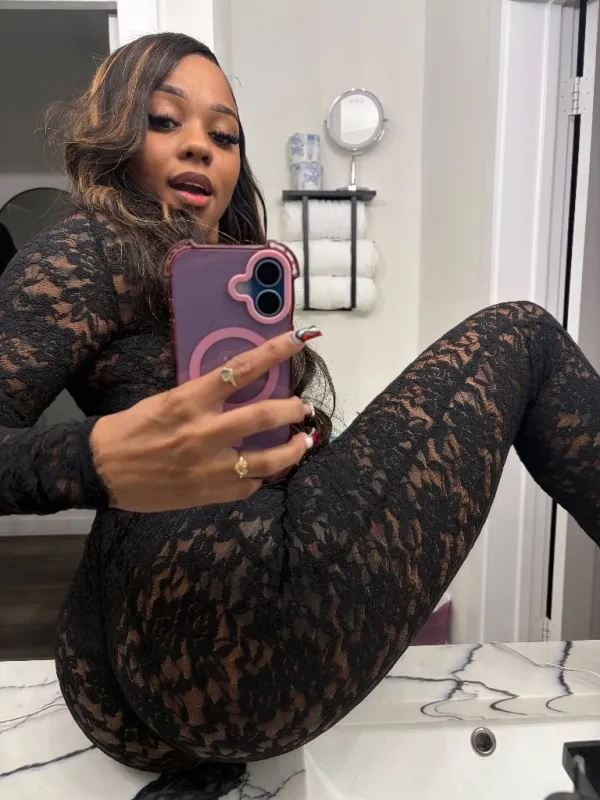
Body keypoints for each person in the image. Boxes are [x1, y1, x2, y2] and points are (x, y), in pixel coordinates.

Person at [1, 31, 599, 797]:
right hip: (244, 650)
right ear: (116, 134)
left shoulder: (222, 270)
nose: (200, 146)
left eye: (224, 135)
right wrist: (94, 459)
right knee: (523, 337)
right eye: (164, 120)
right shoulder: (90, 247)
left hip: (121, 690)